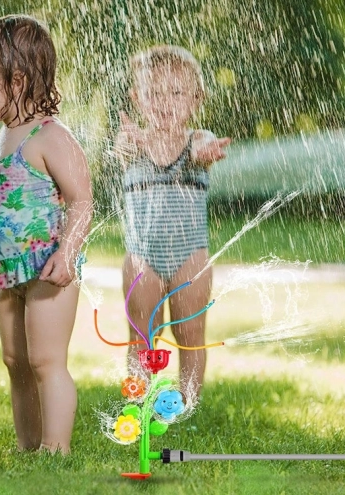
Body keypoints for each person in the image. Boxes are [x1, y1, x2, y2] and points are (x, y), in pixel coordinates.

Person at [0, 14, 92, 455]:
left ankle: (56, 449)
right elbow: (10, 207)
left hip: (47, 269)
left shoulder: (50, 136)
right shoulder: (2, 137)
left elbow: (81, 200)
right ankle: (27, 445)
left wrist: (68, 253)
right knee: (15, 362)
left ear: (16, 82)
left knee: (45, 361)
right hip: (8, 268)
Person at [112, 45, 231, 398]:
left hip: (190, 256)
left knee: (191, 334)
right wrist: (128, 145)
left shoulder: (198, 140)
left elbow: (205, 148)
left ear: (196, 99)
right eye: (153, 93)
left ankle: (186, 401)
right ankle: (140, 400)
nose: (165, 101)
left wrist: (204, 154)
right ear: (137, 98)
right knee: (142, 336)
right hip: (141, 257)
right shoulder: (131, 140)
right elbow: (122, 149)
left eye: (177, 92)